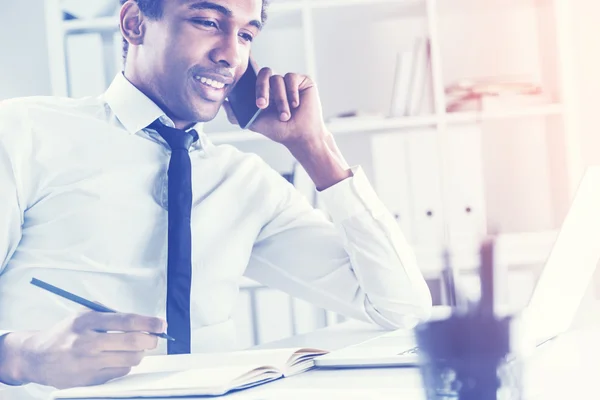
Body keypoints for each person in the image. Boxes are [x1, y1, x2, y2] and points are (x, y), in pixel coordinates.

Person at [0, 0, 432, 396]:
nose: (230, 55)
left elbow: (401, 310)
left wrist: (315, 147)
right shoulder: (24, 133)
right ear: (134, 23)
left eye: (246, 35)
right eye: (207, 22)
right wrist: (22, 356)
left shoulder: (244, 183)